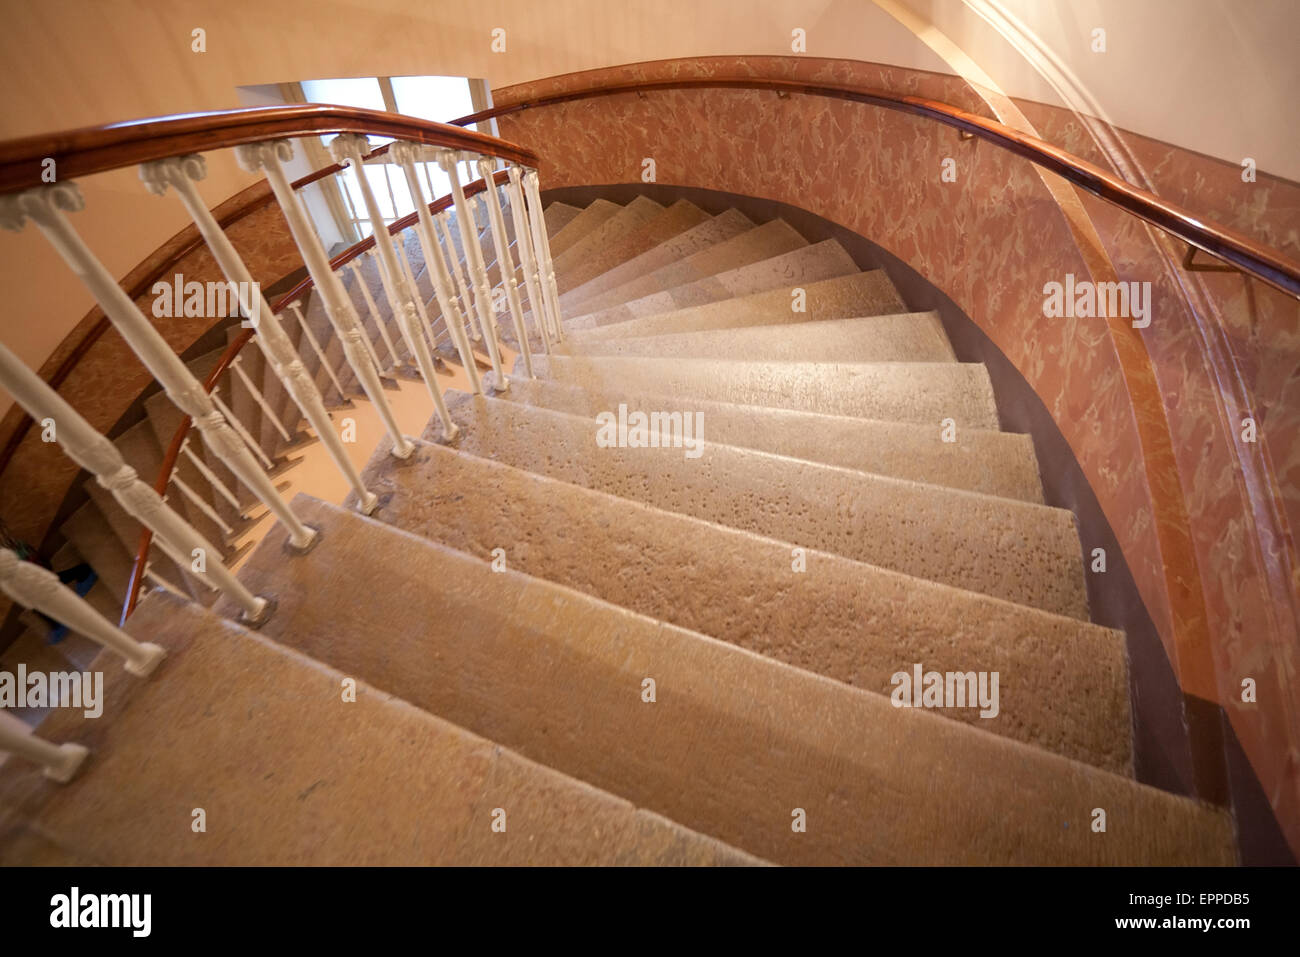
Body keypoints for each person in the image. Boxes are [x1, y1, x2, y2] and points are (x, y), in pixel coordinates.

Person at [1, 517, 97, 644]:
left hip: (26, 568)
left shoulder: (9, 551)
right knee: (37, 598)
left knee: (43, 592)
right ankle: (56, 624)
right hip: (24, 569)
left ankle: (83, 572)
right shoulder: (9, 546)